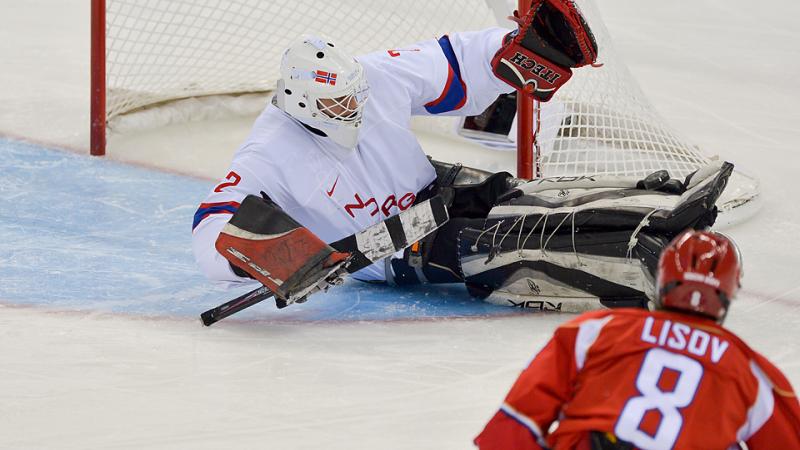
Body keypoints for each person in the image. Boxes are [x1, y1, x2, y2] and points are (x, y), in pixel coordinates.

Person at [191, 0, 732, 310]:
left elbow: (444, 62)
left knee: (525, 197)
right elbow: (213, 227)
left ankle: (662, 200)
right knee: (519, 243)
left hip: (431, 188)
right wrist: (284, 259)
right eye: (338, 102)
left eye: (354, 94)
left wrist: (504, 55)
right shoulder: (269, 150)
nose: (354, 106)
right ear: (302, 102)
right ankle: (648, 254)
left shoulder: (368, 79)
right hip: (392, 250)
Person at [474, 230, 800, 449]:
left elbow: (513, 426)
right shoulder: (754, 375)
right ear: (729, 293)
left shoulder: (594, 331)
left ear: (661, 281)